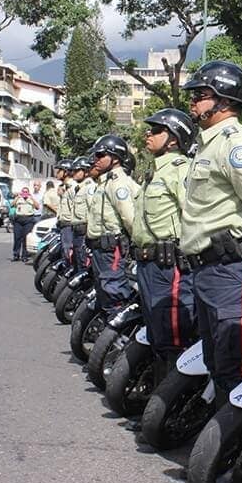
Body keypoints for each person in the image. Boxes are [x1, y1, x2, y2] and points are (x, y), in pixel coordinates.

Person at [180, 61, 242, 402]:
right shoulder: (206, 145)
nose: (193, 102)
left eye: (201, 95)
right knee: (217, 364)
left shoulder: (237, 144)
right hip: (206, 270)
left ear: (225, 100)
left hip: (231, 269)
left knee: (237, 367)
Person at [132, 109, 197, 380]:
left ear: (173, 139)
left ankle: (171, 398)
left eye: (157, 130)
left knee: (173, 336)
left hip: (169, 266)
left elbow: (192, 215)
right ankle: (158, 393)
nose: (149, 134)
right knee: (156, 334)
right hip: (147, 264)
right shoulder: (154, 172)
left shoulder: (180, 170)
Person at [86, 134, 140, 315]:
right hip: (100, 248)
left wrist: (136, 243)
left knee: (113, 292)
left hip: (111, 248)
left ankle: (116, 325)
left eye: (101, 155)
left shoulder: (118, 184)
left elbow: (129, 218)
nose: (96, 159)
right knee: (103, 290)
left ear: (115, 158)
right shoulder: (106, 181)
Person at [69, 156, 96, 274]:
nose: (73, 173)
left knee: (82, 262)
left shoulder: (90, 187)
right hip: (76, 231)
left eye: (77, 170)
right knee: (76, 262)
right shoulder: (79, 188)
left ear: (85, 172)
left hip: (84, 232)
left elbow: (92, 209)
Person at [11, 187, 39, 262]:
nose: (25, 193)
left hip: (28, 219)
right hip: (18, 219)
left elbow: (37, 207)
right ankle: (16, 254)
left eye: (26, 192)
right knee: (17, 238)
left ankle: (25, 255)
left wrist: (32, 198)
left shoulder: (31, 199)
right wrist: (17, 197)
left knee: (26, 238)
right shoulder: (19, 199)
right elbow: (12, 205)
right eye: (23, 192)